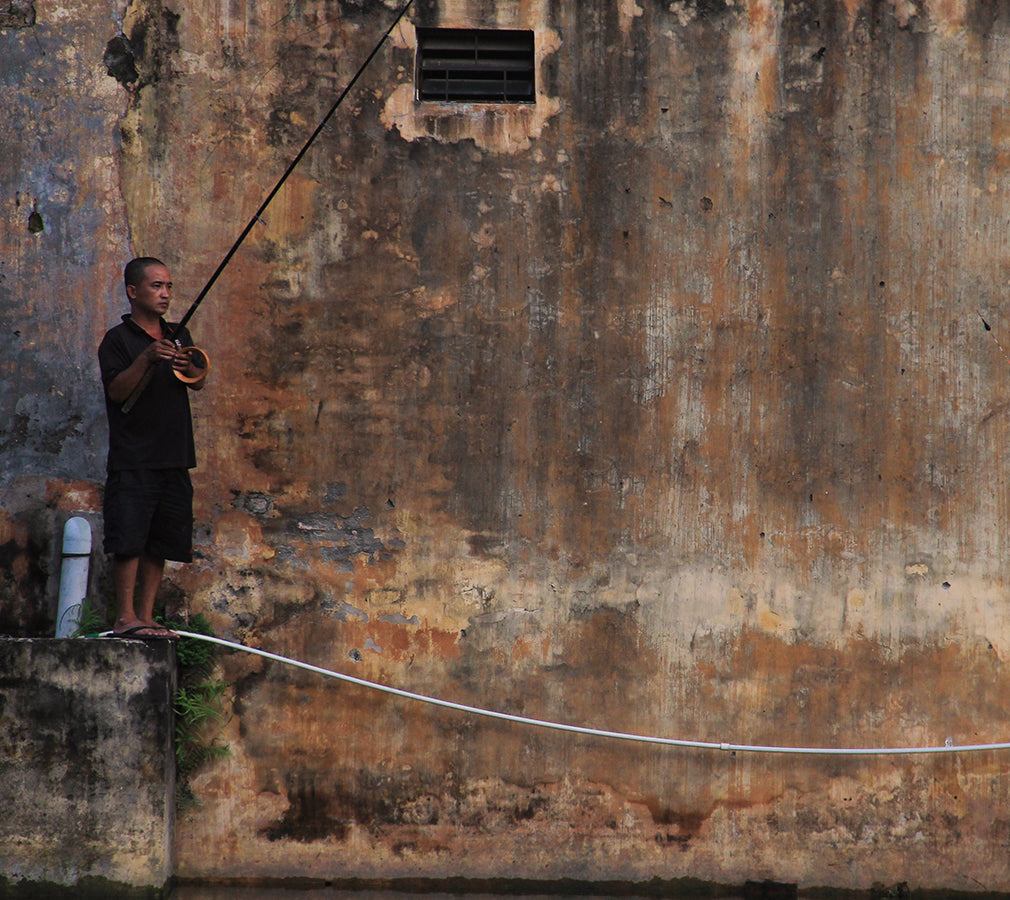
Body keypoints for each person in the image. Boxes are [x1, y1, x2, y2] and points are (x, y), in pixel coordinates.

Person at [98, 257, 207, 639]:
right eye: (156, 286)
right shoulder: (118, 340)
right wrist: (147, 357)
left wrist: (187, 362)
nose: (165, 294)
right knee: (130, 537)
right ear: (133, 291)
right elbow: (116, 391)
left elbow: (196, 380)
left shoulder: (178, 333)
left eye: (168, 287)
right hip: (134, 455)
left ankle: (146, 616)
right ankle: (125, 617)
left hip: (174, 453)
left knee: (160, 539)